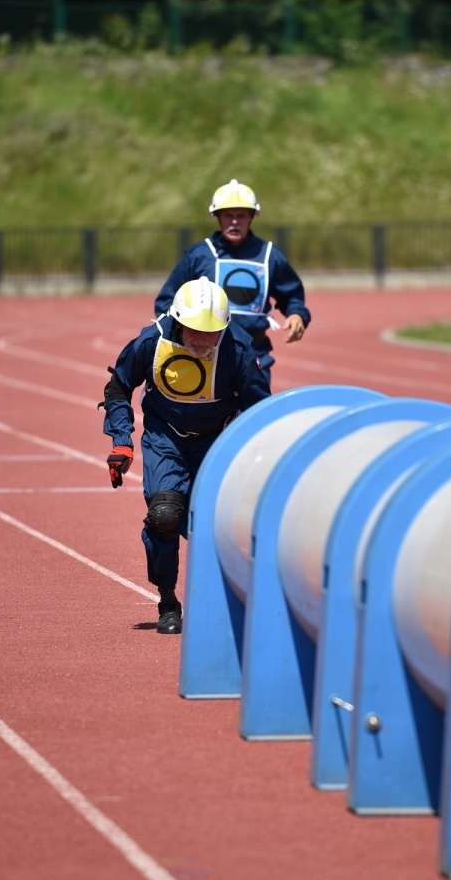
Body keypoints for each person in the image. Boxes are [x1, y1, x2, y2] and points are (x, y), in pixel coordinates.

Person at [100, 276, 271, 635]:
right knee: (164, 514)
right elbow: (119, 385)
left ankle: (231, 599)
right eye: (194, 331)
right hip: (165, 438)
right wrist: (121, 440)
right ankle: (168, 602)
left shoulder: (238, 348)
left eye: (211, 333)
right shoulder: (152, 341)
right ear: (178, 320)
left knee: (215, 527)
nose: (203, 340)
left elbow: (259, 408)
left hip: (217, 440)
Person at [154, 179, 311, 383]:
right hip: (204, 354)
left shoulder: (269, 254)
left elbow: (292, 295)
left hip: (255, 352)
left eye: (241, 215)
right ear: (217, 217)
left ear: (252, 217)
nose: (235, 221)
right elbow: (167, 301)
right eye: (228, 215)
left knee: (256, 413)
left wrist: (296, 313)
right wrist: (184, 338)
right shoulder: (199, 255)